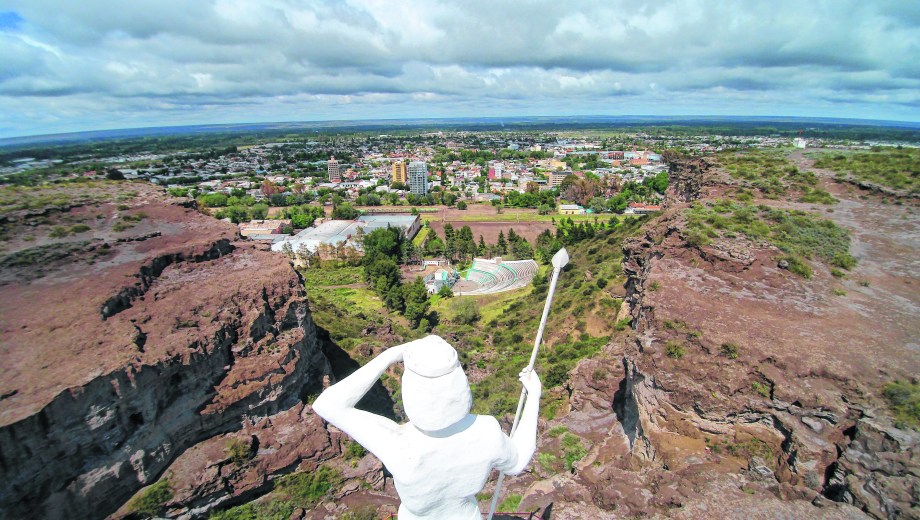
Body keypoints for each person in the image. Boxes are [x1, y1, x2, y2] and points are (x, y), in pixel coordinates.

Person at [312, 335, 541, 520]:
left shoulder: (397, 443)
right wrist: (534, 396)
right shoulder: (486, 431)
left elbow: (327, 404)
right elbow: (518, 461)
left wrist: (389, 355)